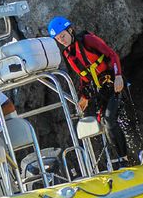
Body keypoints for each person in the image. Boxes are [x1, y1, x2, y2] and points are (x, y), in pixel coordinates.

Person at [48, 15, 128, 166]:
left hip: (113, 83)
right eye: (58, 39)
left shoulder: (88, 40)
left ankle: (123, 159)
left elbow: (112, 55)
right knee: (105, 122)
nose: (62, 40)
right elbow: (84, 77)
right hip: (101, 90)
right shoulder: (68, 54)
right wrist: (84, 97)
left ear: (70, 30)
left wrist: (118, 76)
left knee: (110, 120)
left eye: (63, 36)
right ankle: (118, 159)